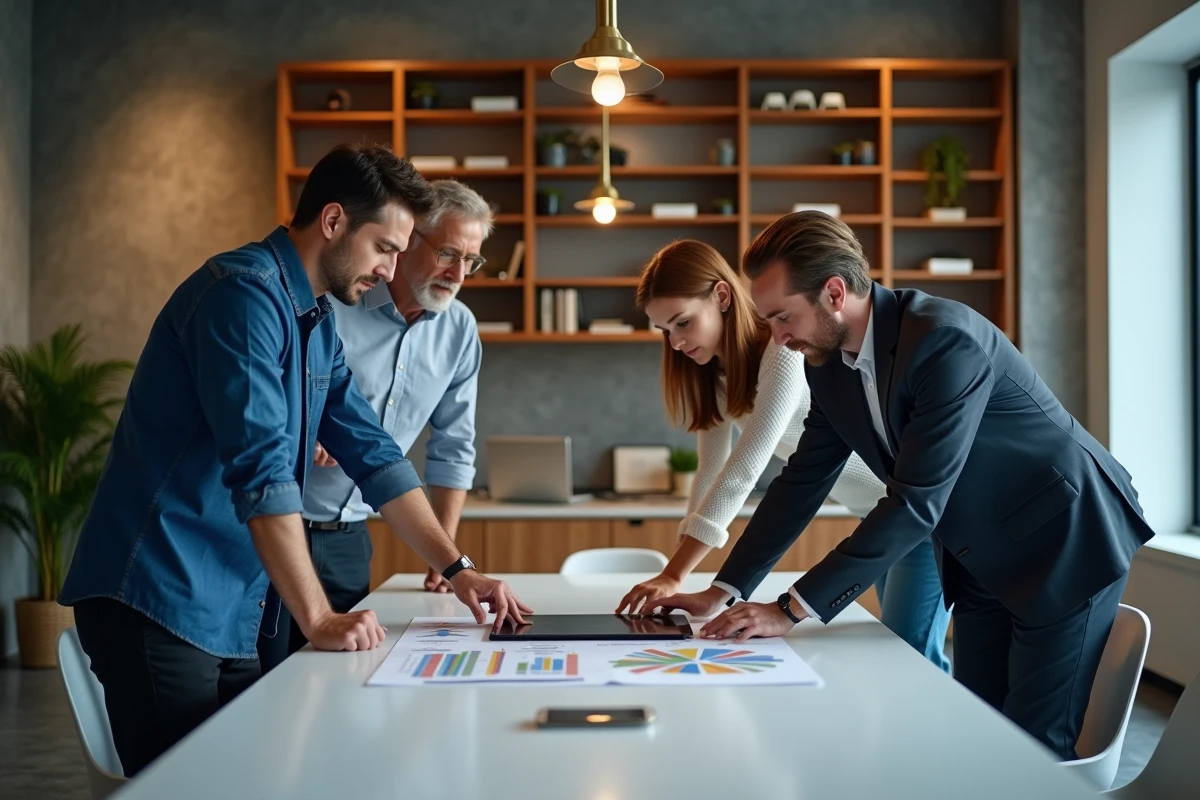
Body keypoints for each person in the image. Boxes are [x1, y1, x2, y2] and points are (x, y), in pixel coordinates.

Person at [57, 144, 530, 777]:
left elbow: (375, 454)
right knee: (196, 790)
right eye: (385, 248)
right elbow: (264, 472)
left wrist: (459, 568)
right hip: (163, 594)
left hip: (236, 595)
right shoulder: (241, 295)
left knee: (260, 777)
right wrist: (320, 617)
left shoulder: (312, 318)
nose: (392, 271)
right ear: (333, 222)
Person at [656, 211, 1154, 761]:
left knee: (1033, 750)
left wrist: (790, 609)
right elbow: (803, 478)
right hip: (981, 556)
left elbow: (917, 501)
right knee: (980, 733)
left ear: (834, 293)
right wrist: (725, 589)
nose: (775, 336)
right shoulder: (826, 362)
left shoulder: (943, 339)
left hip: (1063, 540)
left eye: (782, 317)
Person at [615, 240, 950, 672]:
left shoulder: (783, 350)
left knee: (914, 658)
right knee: (902, 656)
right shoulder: (715, 377)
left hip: (916, 516)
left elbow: (744, 469)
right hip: (875, 517)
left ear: (721, 296)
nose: (676, 342)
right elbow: (710, 474)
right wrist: (679, 573)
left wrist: (674, 575)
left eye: (682, 322)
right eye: (665, 331)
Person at [258, 178, 493, 672]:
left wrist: (446, 558)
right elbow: (261, 419)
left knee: (337, 678)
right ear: (408, 242)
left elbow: (449, 446)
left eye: (472, 261)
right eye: (449, 253)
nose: (460, 274)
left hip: (350, 537)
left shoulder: (460, 329)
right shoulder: (331, 300)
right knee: (263, 680)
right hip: (276, 528)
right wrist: (306, 431)